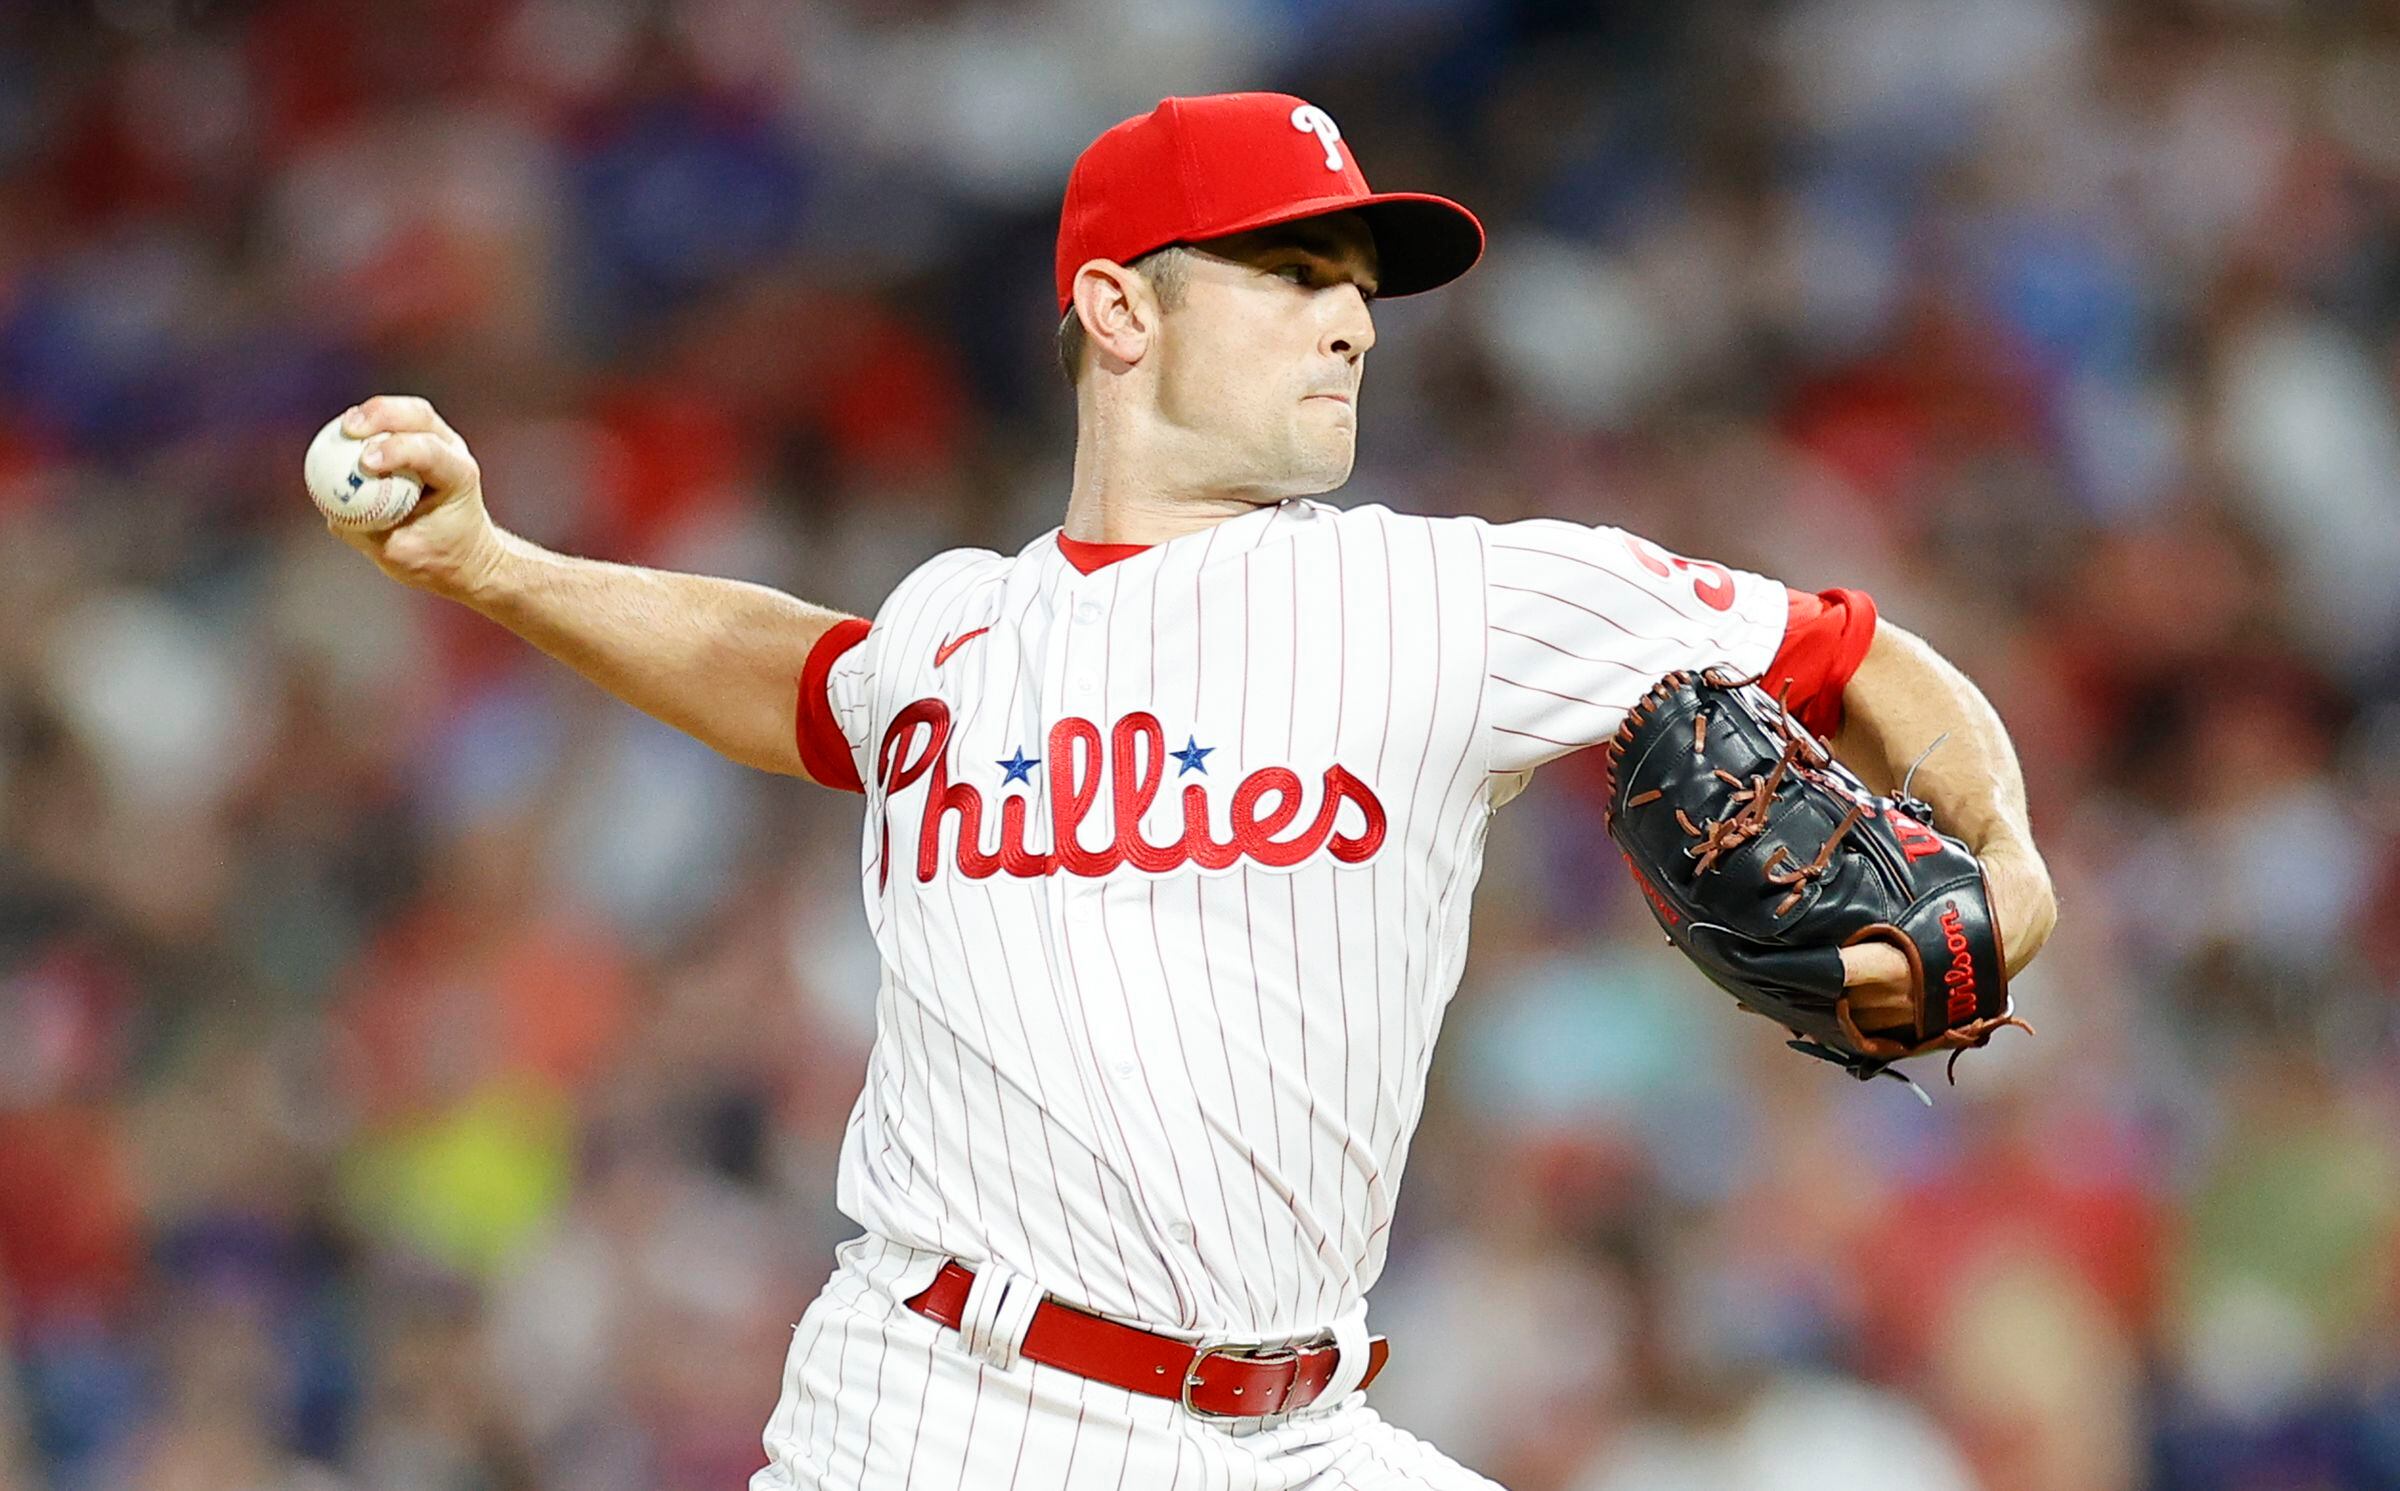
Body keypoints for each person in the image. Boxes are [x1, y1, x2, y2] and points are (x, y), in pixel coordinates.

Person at [329, 92, 2057, 1490]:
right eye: (1294, 270)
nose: (1352, 323)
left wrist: (2010, 868)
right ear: (1117, 304)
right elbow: (786, 672)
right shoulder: (951, 630)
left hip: (1298, 1433)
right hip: (944, 1422)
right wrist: (496, 569)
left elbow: (1868, 659)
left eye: (1362, 288)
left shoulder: (1456, 597)